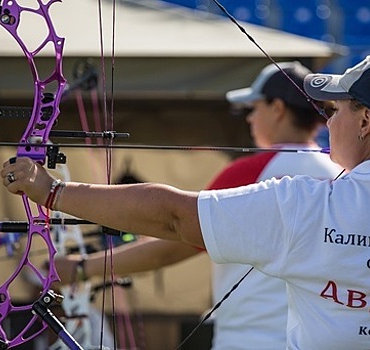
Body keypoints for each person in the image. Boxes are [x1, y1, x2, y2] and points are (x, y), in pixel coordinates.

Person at [1, 52, 370, 349]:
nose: (327, 118)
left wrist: (52, 193)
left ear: (365, 119)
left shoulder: (301, 204)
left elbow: (173, 216)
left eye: (336, 109)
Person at [52, 61, 342, 349]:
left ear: (277, 108)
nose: (250, 118)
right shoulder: (342, 175)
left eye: (254, 108)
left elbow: (176, 241)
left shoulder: (250, 173)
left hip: (251, 340)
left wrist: (82, 267)